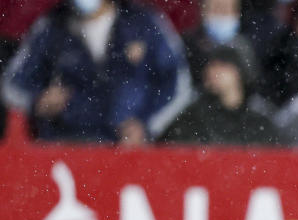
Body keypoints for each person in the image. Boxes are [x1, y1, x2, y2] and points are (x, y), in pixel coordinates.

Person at [2, 0, 191, 144]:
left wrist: (146, 125)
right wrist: (38, 99)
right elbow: (13, 84)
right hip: (65, 144)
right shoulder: (52, 25)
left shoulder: (143, 22)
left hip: (126, 148)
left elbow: (177, 83)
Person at [161, 45, 279, 146]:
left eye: (223, 65)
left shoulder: (259, 120)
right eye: (211, 66)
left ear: (240, 72)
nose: (213, 71)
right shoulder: (193, 118)